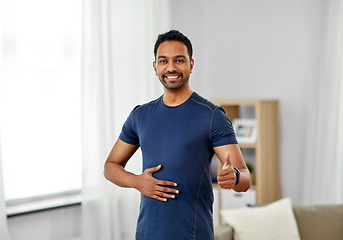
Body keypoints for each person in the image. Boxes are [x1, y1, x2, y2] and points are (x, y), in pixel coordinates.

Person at [104, 30, 251, 240]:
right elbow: (110, 166)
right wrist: (137, 182)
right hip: (147, 235)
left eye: (179, 60)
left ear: (191, 64)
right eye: (163, 61)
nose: (171, 67)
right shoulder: (140, 115)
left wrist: (234, 176)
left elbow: (245, 178)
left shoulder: (212, 116)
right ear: (155, 67)